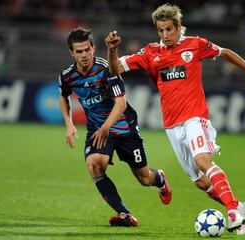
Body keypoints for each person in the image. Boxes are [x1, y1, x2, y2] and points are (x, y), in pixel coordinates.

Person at [105, 4, 245, 235]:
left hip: (195, 118)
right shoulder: (150, 53)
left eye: (168, 29)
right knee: (200, 182)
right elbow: (114, 68)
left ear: (178, 27)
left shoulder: (195, 45)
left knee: (202, 161)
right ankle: (238, 206)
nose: (165, 35)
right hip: (172, 125)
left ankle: (233, 214)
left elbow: (225, 52)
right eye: (160, 31)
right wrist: (113, 50)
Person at [59, 27, 172, 227]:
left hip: (123, 128)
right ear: (71, 53)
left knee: (145, 179)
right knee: (94, 165)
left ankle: (160, 179)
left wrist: (105, 127)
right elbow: (64, 95)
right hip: (98, 130)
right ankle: (124, 214)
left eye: (87, 49)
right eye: (79, 51)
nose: (84, 55)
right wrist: (69, 123)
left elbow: (120, 103)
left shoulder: (106, 70)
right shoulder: (67, 76)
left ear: (93, 48)